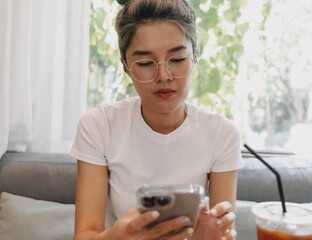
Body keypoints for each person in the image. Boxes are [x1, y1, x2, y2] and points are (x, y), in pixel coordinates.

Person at [71, 0, 242, 239]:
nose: (163, 76)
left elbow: (221, 230)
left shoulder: (221, 134)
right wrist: (118, 236)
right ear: (126, 66)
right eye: (144, 63)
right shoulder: (99, 125)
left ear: (194, 58)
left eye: (177, 59)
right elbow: (85, 235)